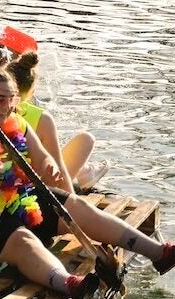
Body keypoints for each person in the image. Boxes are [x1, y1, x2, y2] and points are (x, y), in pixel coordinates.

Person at [0, 67, 175, 299]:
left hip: (11, 201)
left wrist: (49, 166)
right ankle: (70, 284)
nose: (7, 107)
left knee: (75, 206)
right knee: (24, 241)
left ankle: (159, 253)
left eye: (11, 100)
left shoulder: (14, 121)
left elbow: (41, 155)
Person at [6, 51, 107, 194]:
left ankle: (83, 172)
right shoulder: (41, 118)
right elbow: (58, 169)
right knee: (86, 140)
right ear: (32, 92)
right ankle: (83, 173)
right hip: (34, 192)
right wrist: (72, 204)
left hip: (2, 185)